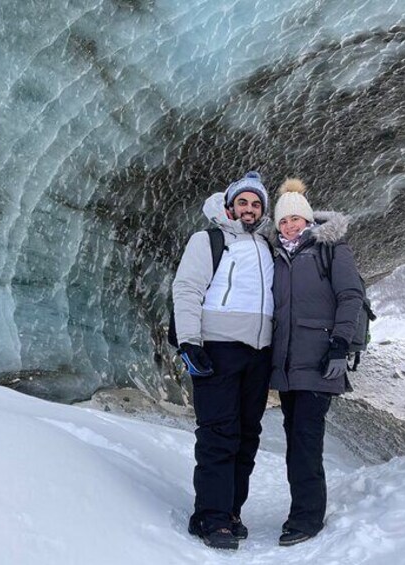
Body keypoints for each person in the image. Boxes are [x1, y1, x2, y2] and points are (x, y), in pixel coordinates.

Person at [171, 171, 274, 550]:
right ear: (230, 205)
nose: (249, 209)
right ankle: (209, 517)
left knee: (247, 435)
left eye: (256, 204)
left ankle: (231, 510)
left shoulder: (266, 245)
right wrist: (189, 341)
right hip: (218, 348)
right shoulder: (208, 240)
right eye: (243, 202)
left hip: (258, 354)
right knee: (219, 434)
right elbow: (186, 289)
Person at [269, 178, 364, 546]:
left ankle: (307, 519)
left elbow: (351, 295)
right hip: (289, 368)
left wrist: (339, 345)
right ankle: (302, 511)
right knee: (295, 440)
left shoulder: (331, 250)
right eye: (283, 221)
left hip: (320, 361)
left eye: (296, 219)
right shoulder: (278, 255)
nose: (290, 225)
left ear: (308, 220)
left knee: (306, 440)